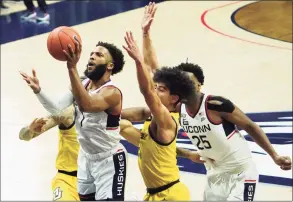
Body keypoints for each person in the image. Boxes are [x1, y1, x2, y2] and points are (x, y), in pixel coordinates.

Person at [122, 2, 292, 201]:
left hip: (240, 172)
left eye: (189, 82)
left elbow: (250, 126)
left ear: (199, 85)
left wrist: (274, 156)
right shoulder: (179, 106)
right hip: (214, 175)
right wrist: (145, 34)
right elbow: (154, 70)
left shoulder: (215, 105)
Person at [19, 40, 127, 201]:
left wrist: (71, 67)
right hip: (81, 165)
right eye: (91, 53)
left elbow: (87, 105)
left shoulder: (112, 93)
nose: (92, 56)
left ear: (110, 65)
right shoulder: (72, 105)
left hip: (107, 160)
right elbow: (56, 109)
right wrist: (38, 91)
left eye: (98, 55)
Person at [122, 31, 193, 201]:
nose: (155, 90)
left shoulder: (167, 120)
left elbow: (147, 91)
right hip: (154, 194)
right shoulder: (157, 114)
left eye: (160, 90)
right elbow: (152, 69)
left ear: (174, 98)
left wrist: (138, 61)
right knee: (120, 124)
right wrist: (146, 34)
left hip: (171, 196)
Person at [19, 105, 79, 201]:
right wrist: (30, 130)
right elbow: (24, 135)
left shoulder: (110, 114)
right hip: (68, 181)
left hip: (99, 181)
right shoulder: (69, 112)